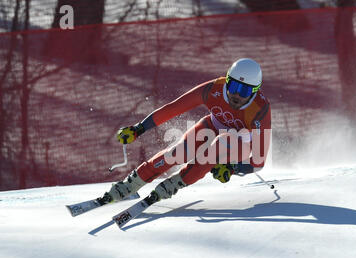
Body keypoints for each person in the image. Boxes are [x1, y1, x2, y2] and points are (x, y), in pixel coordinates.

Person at [103, 58, 271, 203]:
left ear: (255, 92)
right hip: (213, 126)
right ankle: (130, 185)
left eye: (244, 90)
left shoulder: (260, 110)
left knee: (221, 144)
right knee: (178, 153)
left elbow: (258, 162)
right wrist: (139, 128)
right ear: (226, 80)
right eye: (233, 86)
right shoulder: (213, 89)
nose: (237, 95)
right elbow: (173, 109)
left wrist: (232, 168)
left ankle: (174, 184)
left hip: (240, 143)